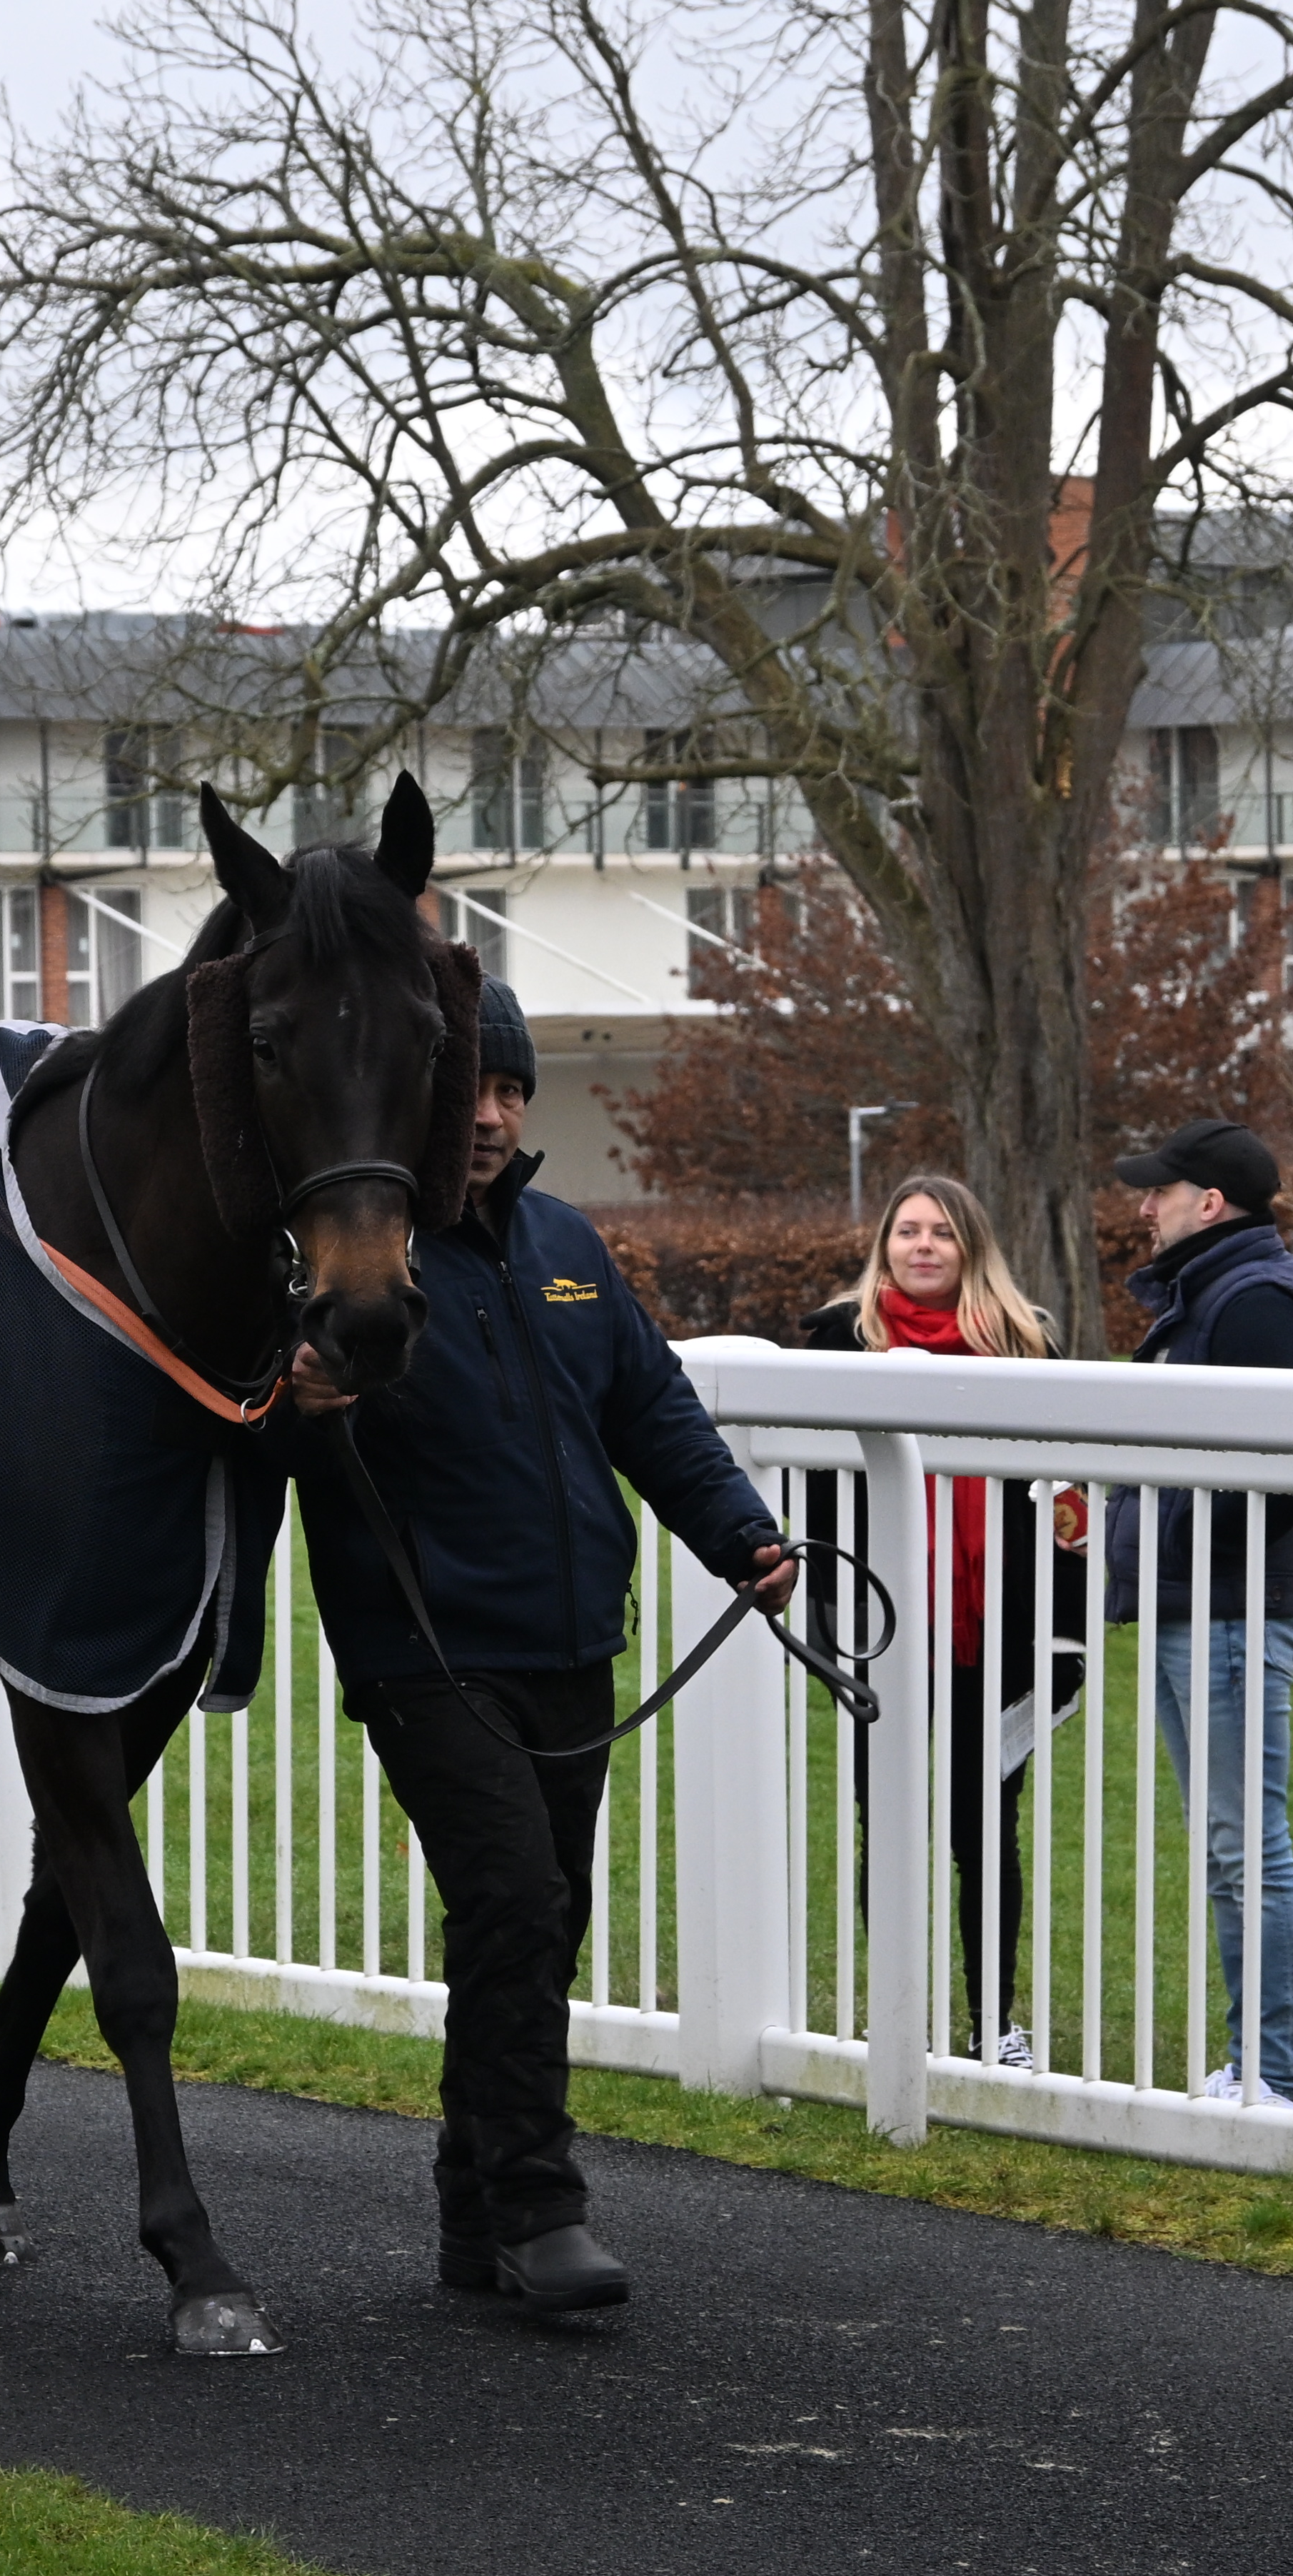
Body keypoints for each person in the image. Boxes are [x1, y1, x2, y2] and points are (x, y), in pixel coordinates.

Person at [279, 976, 796, 2312]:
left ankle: (471, 2218)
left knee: (531, 1925)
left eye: (510, 1090)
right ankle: (536, 2206)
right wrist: (294, 1396)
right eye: (470, 1091)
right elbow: (246, 1414)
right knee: (515, 1901)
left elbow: (653, 1410)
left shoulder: (566, 1242)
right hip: (425, 1654)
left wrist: (742, 1534)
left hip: (573, 1649)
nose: (494, 1115)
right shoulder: (349, 1260)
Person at [796, 1175, 1086, 2073]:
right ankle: (896, 2017)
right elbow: (812, 1499)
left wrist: (1059, 1633)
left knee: (986, 1828)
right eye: (907, 1232)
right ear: (883, 1245)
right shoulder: (832, 1342)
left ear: (972, 1249)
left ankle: (992, 2021)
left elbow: (1065, 1501)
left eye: (942, 1235)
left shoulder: (1026, 1345)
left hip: (993, 1632)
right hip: (885, 1628)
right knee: (884, 1821)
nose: (923, 1247)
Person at [1100, 1116, 1293, 2108]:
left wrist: (1160, 1538)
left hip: (1227, 1612)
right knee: (1230, 1846)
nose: (1143, 1207)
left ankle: (1272, 2076)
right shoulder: (1215, 1292)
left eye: (1159, 1191)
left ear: (1210, 1202)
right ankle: (1253, 2065)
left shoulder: (1256, 1299)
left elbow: (1273, 1478)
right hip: (1189, 1605)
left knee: (1249, 1848)